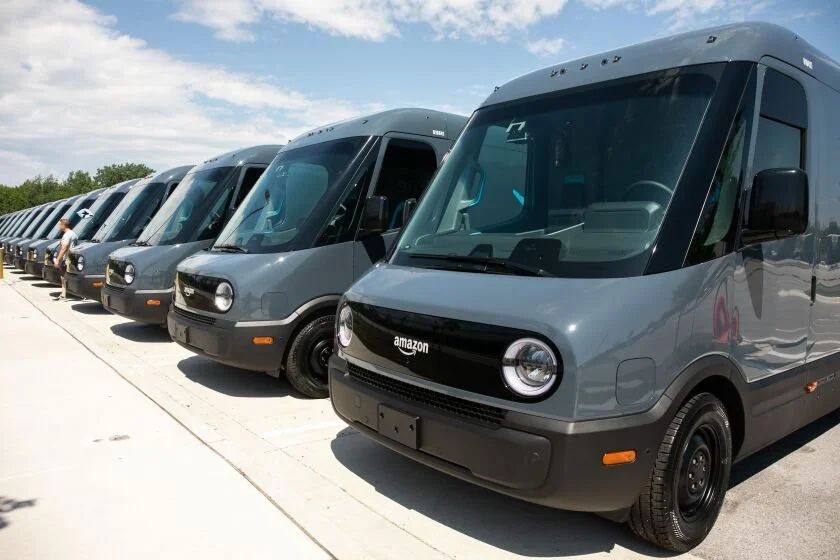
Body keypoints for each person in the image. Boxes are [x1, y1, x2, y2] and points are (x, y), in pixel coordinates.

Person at [53, 218, 78, 301]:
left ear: (63, 225)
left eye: (59, 225)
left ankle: (63, 295)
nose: (58, 227)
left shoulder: (67, 235)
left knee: (63, 276)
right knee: (67, 276)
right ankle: (70, 293)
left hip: (67, 259)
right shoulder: (73, 233)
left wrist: (58, 259)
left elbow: (64, 248)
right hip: (72, 258)